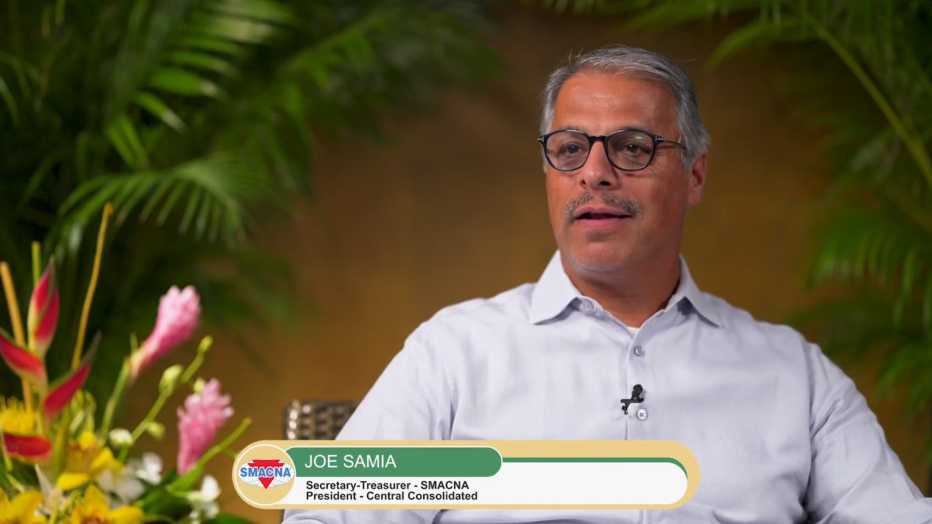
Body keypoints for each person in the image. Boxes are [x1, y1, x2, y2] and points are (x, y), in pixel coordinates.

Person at [282, 45, 932, 523]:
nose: (594, 173)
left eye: (632, 147)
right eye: (570, 148)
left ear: (695, 176)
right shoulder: (454, 352)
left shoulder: (795, 375)